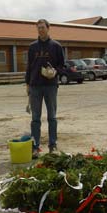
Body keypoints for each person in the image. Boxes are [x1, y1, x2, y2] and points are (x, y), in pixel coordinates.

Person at [25, 19, 65, 158]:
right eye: (38, 28)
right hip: (35, 86)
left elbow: (62, 65)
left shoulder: (56, 46)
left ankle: (52, 146)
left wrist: (55, 72)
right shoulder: (32, 47)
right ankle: (35, 147)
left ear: (48, 28)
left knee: (52, 117)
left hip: (50, 86)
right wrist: (27, 84)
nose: (40, 30)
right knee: (35, 118)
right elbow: (29, 67)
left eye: (43, 27)